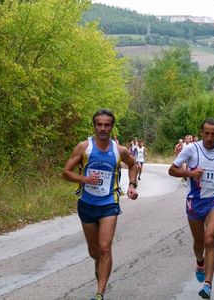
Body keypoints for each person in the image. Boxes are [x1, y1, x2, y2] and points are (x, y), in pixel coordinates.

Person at [62, 109, 139, 300]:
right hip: (87, 203)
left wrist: (131, 184)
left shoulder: (119, 150)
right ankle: (100, 263)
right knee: (94, 251)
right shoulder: (84, 147)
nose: (103, 128)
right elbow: (65, 172)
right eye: (99, 124)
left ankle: (99, 293)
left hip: (109, 203)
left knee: (105, 248)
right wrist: (84, 179)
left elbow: (134, 164)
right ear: (94, 126)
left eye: (107, 125)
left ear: (112, 127)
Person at [168, 118, 214, 299]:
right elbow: (172, 170)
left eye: (213, 134)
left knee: (210, 239)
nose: (210, 137)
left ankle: (208, 285)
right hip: (195, 202)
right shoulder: (191, 149)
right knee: (199, 243)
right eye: (206, 133)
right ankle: (199, 261)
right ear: (201, 132)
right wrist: (189, 173)